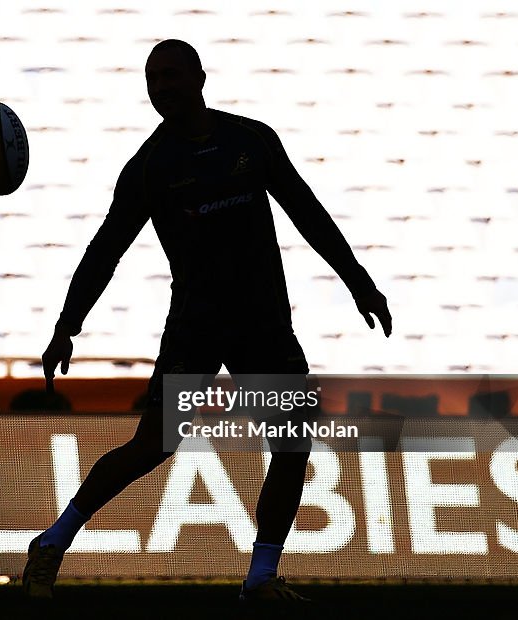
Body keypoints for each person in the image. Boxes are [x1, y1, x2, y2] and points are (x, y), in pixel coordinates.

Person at [26, 39, 392, 602]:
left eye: (171, 75)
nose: (161, 87)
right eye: (153, 79)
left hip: (263, 324)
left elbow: (307, 211)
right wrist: (67, 326)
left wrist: (357, 279)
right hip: (196, 325)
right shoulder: (148, 168)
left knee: (292, 443)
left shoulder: (251, 140)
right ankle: (52, 541)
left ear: (199, 76)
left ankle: (261, 578)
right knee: (153, 444)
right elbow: (106, 249)